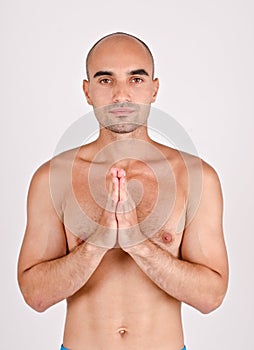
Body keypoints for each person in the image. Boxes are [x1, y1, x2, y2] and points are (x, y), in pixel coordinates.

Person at [17, 32, 229, 350]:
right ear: (87, 91)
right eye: (105, 80)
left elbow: (211, 297)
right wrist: (96, 243)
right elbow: (35, 295)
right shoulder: (53, 178)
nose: (120, 95)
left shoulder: (197, 178)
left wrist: (140, 245)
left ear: (154, 88)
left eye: (135, 79)